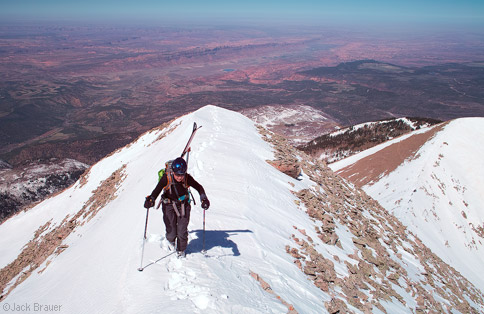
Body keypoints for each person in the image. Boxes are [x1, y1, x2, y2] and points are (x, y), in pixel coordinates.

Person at [144, 157, 210, 257]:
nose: (179, 177)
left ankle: (181, 250)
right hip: (168, 205)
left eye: (181, 175)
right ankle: (171, 241)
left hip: (183, 205)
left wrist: (203, 198)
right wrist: (151, 199)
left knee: (182, 230)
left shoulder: (187, 178)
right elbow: (157, 190)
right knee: (171, 231)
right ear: (173, 171)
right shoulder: (167, 178)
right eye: (177, 174)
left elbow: (199, 187)